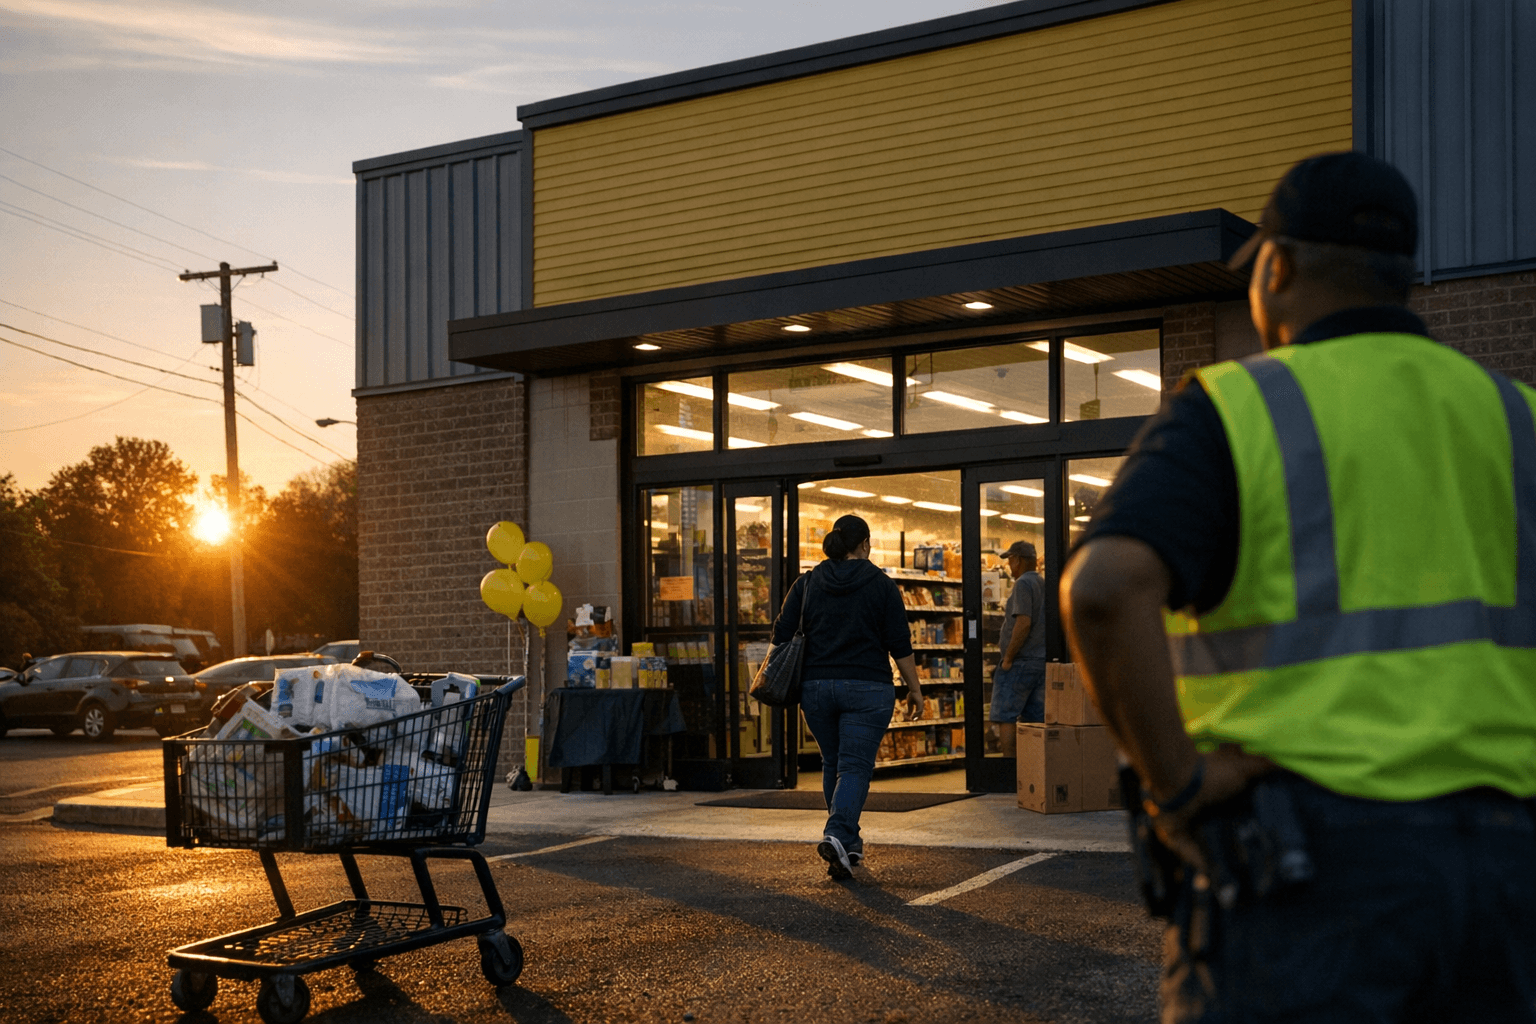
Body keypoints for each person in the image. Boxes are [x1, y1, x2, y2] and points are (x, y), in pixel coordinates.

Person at [1060, 150, 1536, 1022]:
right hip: (1510, 865)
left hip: (1310, 866)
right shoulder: (1517, 417)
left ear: (1274, 269)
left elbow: (1104, 589)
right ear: (1404, 279)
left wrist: (1178, 790)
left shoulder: (1237, 408)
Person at [772, 513, 922, 879]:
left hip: (817, 689)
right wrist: (914, 688)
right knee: (854, 767)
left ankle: (848, 847)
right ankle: (837, 834)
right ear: (865, 545)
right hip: (867, 688)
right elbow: (899, 643)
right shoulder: (881, 585)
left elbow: (781, 633)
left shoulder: (806, 583)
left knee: (833, 763)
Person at [989, 539, 1045, 757]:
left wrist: (1008, 658)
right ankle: (1032, 770)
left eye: (1010, 560)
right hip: (1040, 662)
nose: (1008, 566)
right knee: (1035, 720)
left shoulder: (1023, 584)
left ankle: (1009, 769)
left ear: (1019, 560)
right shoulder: (1043, 583)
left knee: (1005, 715)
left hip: (1021, 661)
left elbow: (1023, 622)